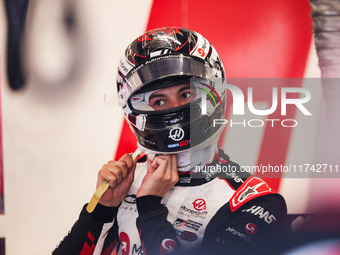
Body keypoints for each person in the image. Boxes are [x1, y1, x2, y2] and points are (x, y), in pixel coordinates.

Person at [53, 27, 288, 255]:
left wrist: (150, 206)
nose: (176, 111)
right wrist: (101, 209)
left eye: (186, 95)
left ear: (214, 93)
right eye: (159, 101)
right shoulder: (127, 178)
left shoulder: (254, 203)